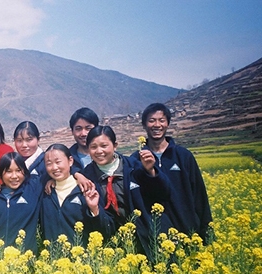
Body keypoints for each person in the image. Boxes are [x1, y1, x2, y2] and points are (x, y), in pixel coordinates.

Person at [82, 126, 173, 260]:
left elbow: (164, 193)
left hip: (150, 238)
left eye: (104, 145)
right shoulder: (87, 176)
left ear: (115, 146)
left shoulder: (134, 165)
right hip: (118, 247)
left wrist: (151, 172)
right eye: (93, 147)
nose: (99, 151)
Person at [131, 103, 213, 243]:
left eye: (161, 120)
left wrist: (207, 235)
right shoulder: (135, 160)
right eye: (151, 120)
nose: (157, 125)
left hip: (187, 233)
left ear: (168, 124)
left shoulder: (183, 156)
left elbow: (199, 196)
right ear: (144, 125)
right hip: (156, 238)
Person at [40, 144, 109, 247]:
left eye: (58, 162)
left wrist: (94, 210)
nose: (54, 167)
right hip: (53, 260)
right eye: (49, 164)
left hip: (82, 259)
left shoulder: (86, 189)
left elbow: (106, 230)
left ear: (70, 161)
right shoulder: (45, 192)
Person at [0, 152, 43, 254]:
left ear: (25, 172)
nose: (14, 176)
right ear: (0, 174)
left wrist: (75, 172)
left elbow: (54, 168)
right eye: (8, 171)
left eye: (18, 170)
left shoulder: (32, 189)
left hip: (24, 261)